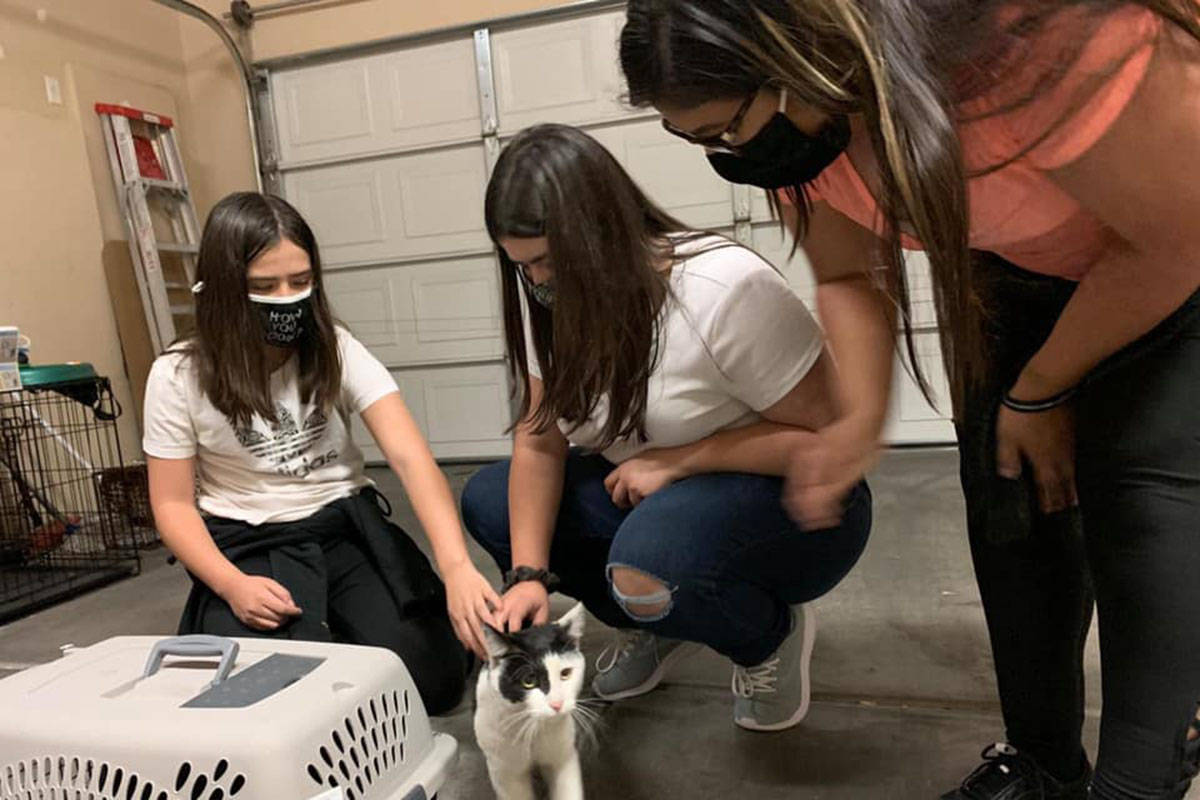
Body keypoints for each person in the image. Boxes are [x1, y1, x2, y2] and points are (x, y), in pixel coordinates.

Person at [618, 0, 1200, 797]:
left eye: (727, 128)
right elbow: (847, 272)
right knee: (1009, 505)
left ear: (800, 54)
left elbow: (1177, 242)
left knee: (1144, 513)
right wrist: (857, 422)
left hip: (1175, 269)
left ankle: (1145, 771)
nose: (726, 155)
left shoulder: (1037, 39)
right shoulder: (807, 134)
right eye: (694, 139)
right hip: (1022, 274)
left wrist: (1040, 393)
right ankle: (1042, 765)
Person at [458, 124, 872, 732]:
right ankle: (654, 621)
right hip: (654, 498)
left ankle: (768, 637)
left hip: (796, 504)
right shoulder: (546, 298)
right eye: (523, 267)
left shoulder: (722, 289)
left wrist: (680, 461)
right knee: (491, 501)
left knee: (650, 557)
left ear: (601, 230)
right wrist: (528, 576)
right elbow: (539, 442)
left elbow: (834, 443)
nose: (538, 281)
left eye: (547, 261)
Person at [143, 192, 499, 715]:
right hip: (250, 541)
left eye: (300, 281)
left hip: (343, 526)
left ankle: (352, 627)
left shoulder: (335, 347)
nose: (286, 299)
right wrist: (230, 584)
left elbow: (410, 456)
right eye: (265, 286)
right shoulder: (177, 375)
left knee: (433, 682)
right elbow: (172, 504)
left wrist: (458, 566)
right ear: (223, 288)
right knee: (267, 701)